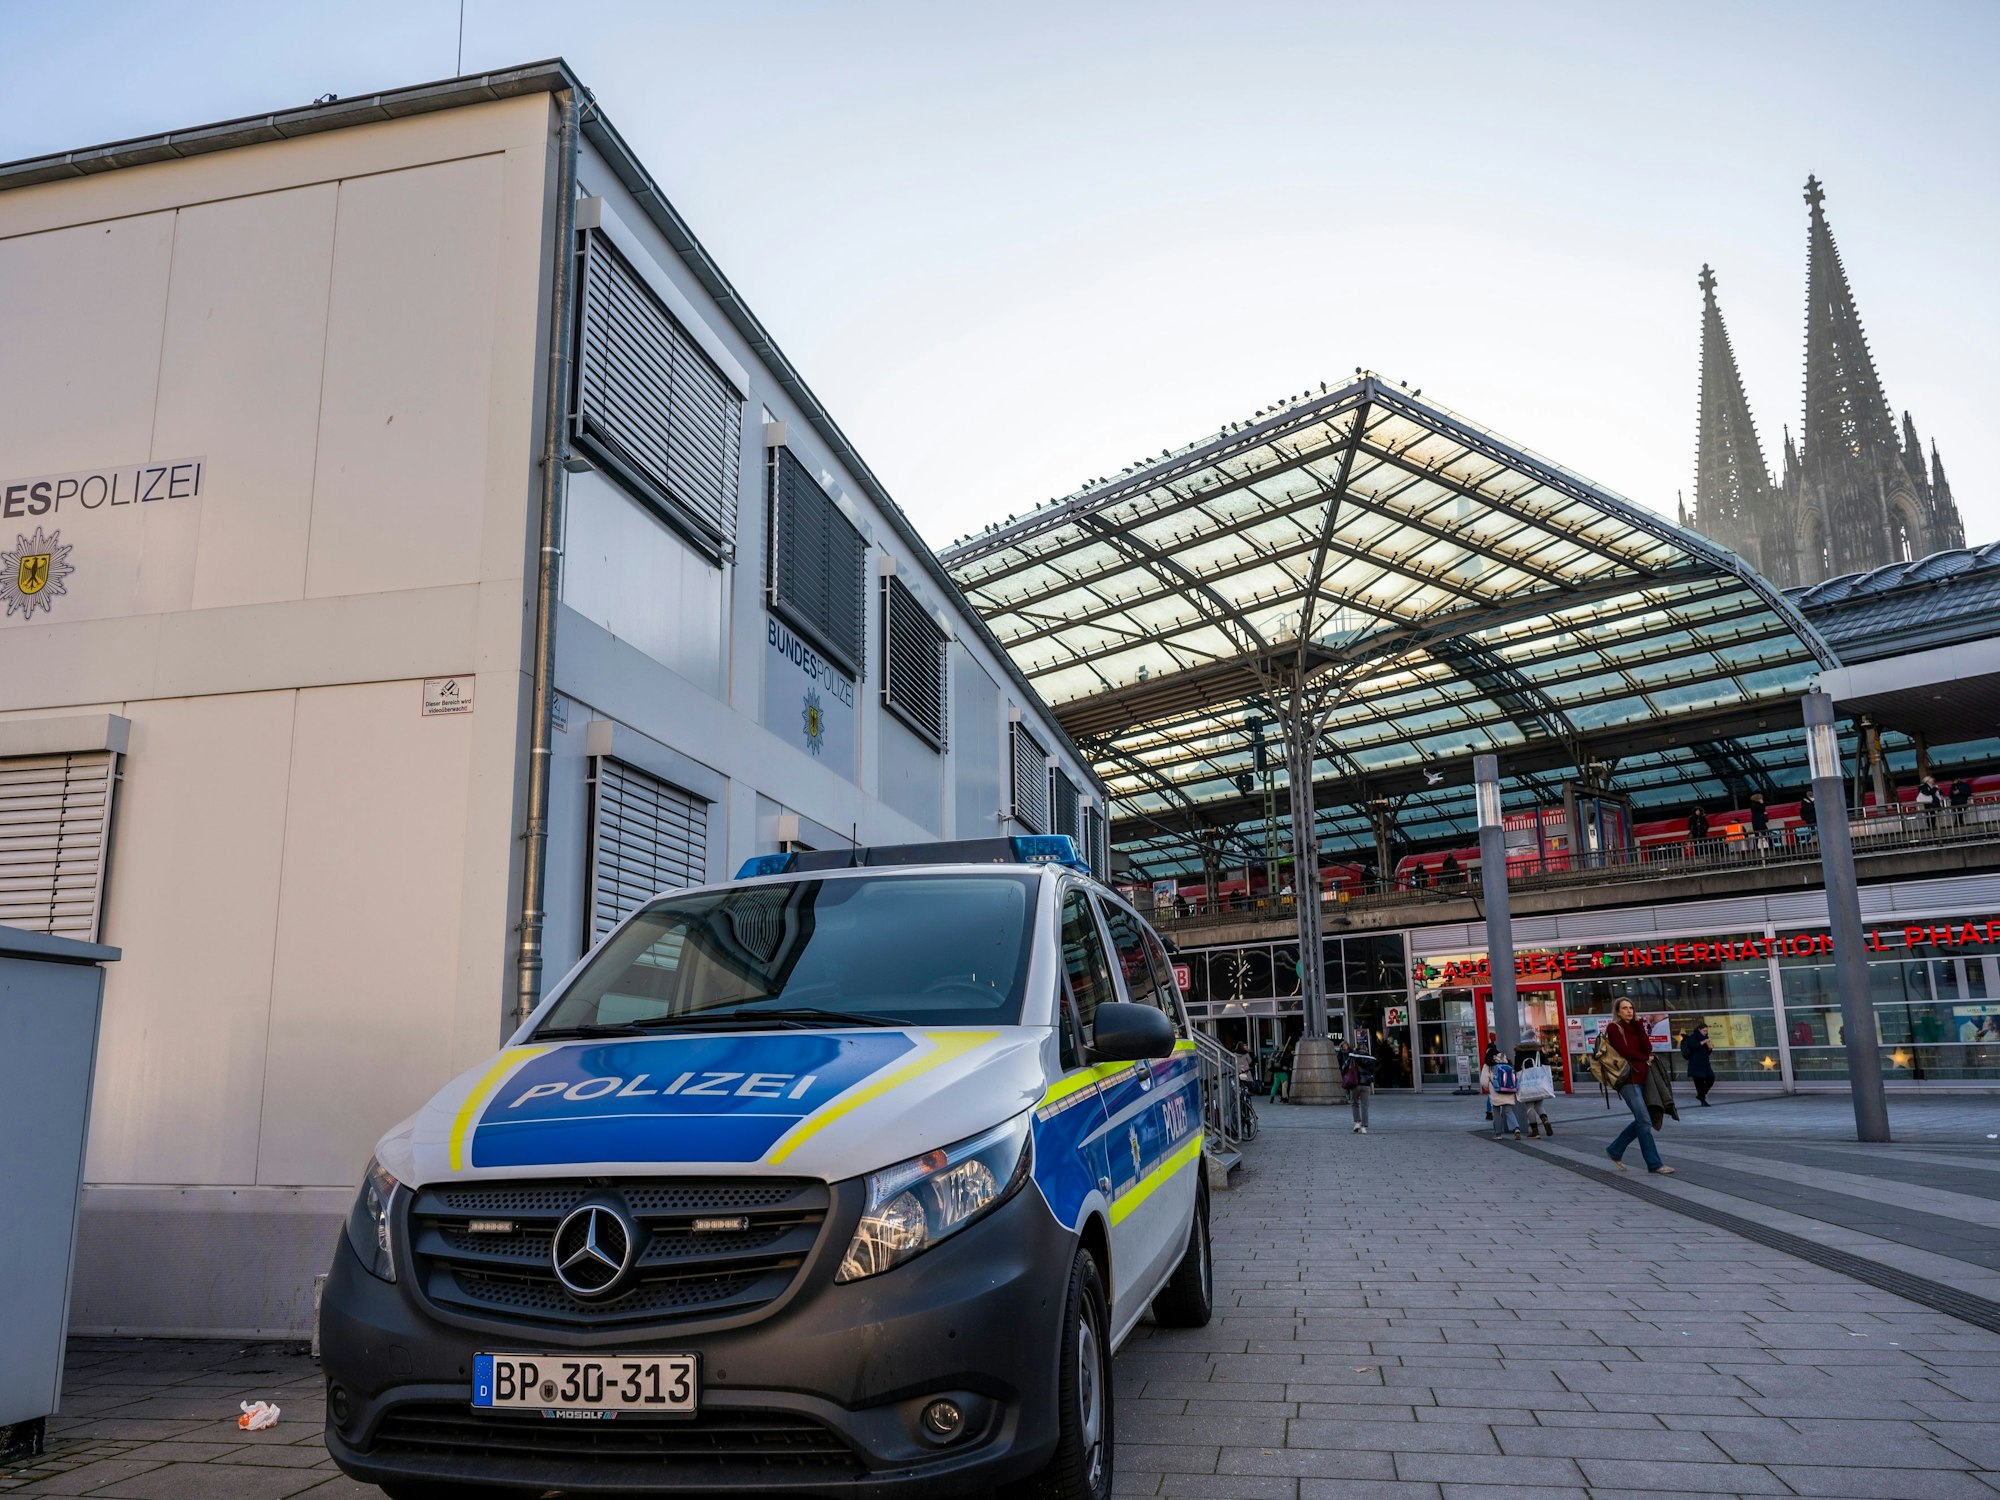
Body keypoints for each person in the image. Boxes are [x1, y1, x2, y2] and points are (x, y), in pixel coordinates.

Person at [1603, 999, 1673, 1173]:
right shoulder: (1614, 1028)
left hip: (1644, 1079)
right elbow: (1624, 1051)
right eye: (1625, 1008)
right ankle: (1654, 1164)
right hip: (1628, 1080)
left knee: (1644, 1119)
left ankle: (1615, 1149)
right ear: (1618, 1012)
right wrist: (1643, 1057)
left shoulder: (1637, 1026)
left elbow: (1647, 1048)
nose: (1629, 1011)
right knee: (1644, 1120)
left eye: (1631, 1008)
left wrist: (1640, 1026)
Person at [1514, 1041, 1555, 1138]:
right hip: (1539, 1083)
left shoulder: (1519, 1052)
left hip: (1526, 1084)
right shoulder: (1538, 1051)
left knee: (1529, 1107)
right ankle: (1545, 1119)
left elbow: (1517, 1067)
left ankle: (1535, 1131)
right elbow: (1545, 1064)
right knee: (1539, 1105)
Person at [1338, 1031, 1376, 1133]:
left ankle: (1357, 1123)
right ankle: (1364, 1127)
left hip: (1355, 1083)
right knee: (1365, 1105)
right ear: (1366, 1049)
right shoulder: (1371, 1059)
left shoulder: (1353, 1057)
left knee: (1355, 1103)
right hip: (1366, 1085)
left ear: (1357, 1049)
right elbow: (1373, 1071)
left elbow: (1344, 1067)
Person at [1487, 1050, 1525, 1140]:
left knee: (1496, 1112)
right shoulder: (1508, 1065)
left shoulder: (1490, 1067)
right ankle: (1516, 1129)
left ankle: (1498, 1134)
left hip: (1496, 1092)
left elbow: (1484, 1082)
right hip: (1509, 1091)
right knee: (1509, 1111)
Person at [1680, 1020, 1716, 1106]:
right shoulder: (1693, 1037)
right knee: (1699, 1083)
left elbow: (1707, 1052)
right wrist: (1703, 1042)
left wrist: (1710, 1048)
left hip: (1705, 1063)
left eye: (1707, 1031)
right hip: (1695, 1063)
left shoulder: (1705, 1037)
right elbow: (1693, 1047)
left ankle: (1700, 1095)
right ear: (1699, 1030)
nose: (1706, 1032)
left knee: (1711, 1078)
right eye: (1704, 1031)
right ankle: (1703, 1101)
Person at [1269, 1034, 1297, 1103]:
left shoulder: (1275, 1053)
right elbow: (1286, 1062)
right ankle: (1285, 1097)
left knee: (1275, 1084)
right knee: (1284, 1084)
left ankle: (1272, 1097)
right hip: (1282, 1071)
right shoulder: (1284, 1054)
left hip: (1275, 1071)